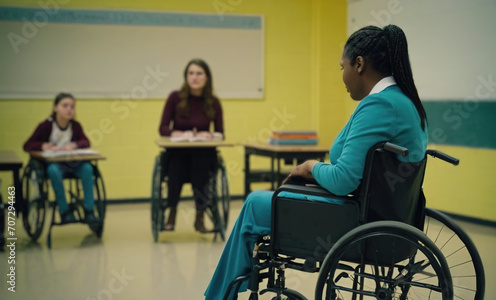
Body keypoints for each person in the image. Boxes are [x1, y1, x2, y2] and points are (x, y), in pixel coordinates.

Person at [205, 24, 428, 299]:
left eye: (342, 67)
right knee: (271, 200)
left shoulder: (380, 105)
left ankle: (217, 296)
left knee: (254, 203)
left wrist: (309, 167)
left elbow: (343, 179)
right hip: (384, 216)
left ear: (359, 64)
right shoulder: (406, 103)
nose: (342, 76)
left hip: (357, 222)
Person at [159, 58, 224, 233]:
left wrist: (207, 135)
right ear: (186, 76)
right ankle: (171, 214)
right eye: (191, 73)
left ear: (207, 77)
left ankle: (200, 217)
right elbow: (163, 128)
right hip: (178, 151)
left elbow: (220, 133)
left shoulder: (214, 102)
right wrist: (178, 133)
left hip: (202, 153)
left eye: (199, 73)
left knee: (201, 162)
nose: (194, 77)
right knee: (176, 163)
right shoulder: (174, 98)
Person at [23, 92, 98, 224]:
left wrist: (74, 145)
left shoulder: (75, 126)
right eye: (65, 105)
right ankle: (64, 210)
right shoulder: (46, 126)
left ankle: (89, 210)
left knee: (87, 168)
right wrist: (43, 145)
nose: (69, 109)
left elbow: (86, 142)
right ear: (55, 108)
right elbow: (27, 145)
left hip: (73, 164)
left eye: (72, 106)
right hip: (54, 166)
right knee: (53, 170)